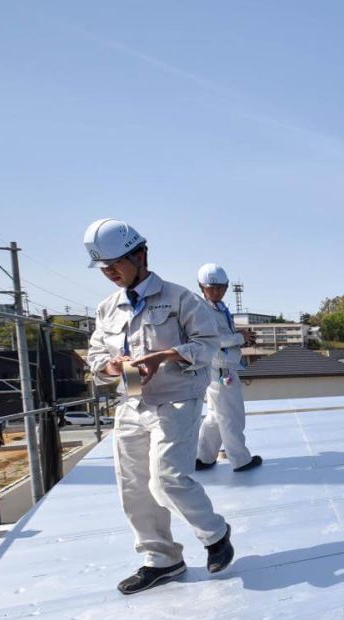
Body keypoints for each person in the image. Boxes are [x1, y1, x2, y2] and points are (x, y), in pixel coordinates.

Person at [83, 218, 234, 595]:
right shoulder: (108, 308)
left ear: (140, 254)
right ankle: (162, 559)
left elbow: (208, 345)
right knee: (133, 487)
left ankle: (215, 534)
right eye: (104, 268)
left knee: (166, 478)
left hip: (177, 399)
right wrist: (109, 366)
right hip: (132, 402)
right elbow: (95, 354)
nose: (110, 273)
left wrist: (166, 355)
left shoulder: (181, 299)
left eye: (116, 264)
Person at [194, 263, 262, 473]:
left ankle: (204, 457)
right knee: (231, 415)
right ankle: (240, 459)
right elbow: (214, 339)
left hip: (220, 367)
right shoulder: (203, 309)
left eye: (221, 287)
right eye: (211, 288)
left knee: (216, 415)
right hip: (221, 368)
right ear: (201, 287)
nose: (216, 291)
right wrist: (240, 337)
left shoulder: (218, 308)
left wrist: (240, 337)